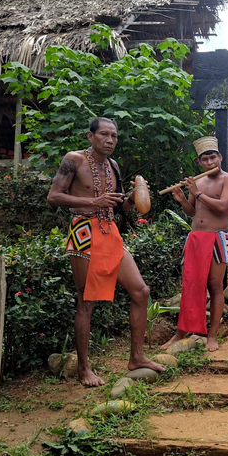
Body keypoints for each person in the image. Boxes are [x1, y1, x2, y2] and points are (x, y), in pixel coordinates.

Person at [47, 117, 164, 387]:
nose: (110, 140)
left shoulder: (113, 166)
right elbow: (53, 197)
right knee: (86, 302)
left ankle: (137, 357)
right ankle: (84, 369)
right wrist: (94, 200)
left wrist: (133, 200)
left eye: (114, 136)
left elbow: (118, 205)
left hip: (109, 231)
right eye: (104, 134)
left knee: (141, 291)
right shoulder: (73, 160)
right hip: (83, 231)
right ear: (91, 136)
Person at [160, 136, 228, 352]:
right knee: (190, 286)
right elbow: (194, 212)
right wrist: (183, 199)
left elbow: (223, 208)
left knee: (215, 287)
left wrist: (197, 193)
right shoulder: (198, 181)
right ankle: (180, 333)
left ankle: (212, 335)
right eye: (205, 159)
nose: (210, 162)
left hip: (216, 238)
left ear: (220, 157)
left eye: (213, 157)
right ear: (199, 162)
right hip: (195, 238)